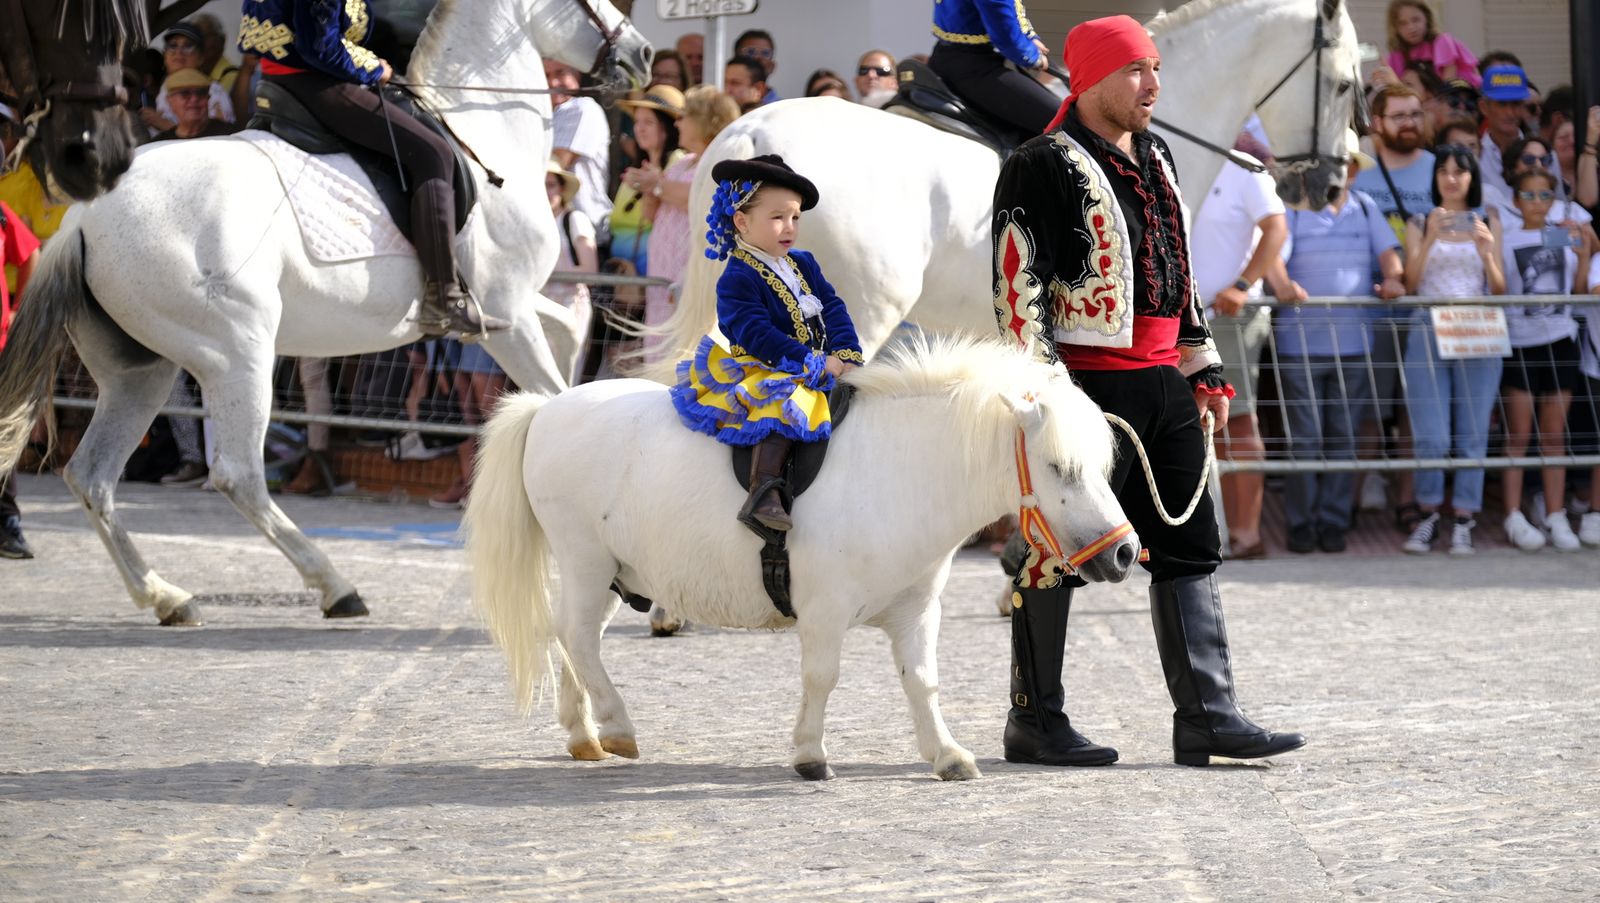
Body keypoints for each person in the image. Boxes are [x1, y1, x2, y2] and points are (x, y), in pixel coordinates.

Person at [990, 15, 1304, 768]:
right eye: (1136, 70)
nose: (1153, 85)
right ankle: (1035, 719)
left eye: (1156, 68)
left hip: (1164, 380)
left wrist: (1204, 366)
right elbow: (1016, 289)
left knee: (1191, 546)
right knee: (1054, 551)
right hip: (1086, 386)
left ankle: (1207, 717)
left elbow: (1177, 271)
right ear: (1091, 79)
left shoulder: (1157, 154)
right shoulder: (1039, 163)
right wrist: (1046, 393)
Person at [241, 0, 506, 338]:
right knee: (434, 154)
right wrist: (373, 69)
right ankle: (444, 299)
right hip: (315, 81)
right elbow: (318, 46)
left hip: (285, 77)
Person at [670, 155, 864, 534]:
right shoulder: (737, 277)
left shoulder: (804, 263)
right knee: (783, 400)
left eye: (795, 217)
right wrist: (810, 360)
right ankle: (763, 490)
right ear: (742, 221)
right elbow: (756, 333)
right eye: (777, 217)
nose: (789, 227)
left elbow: (833, 307)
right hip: (763, 367)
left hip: (815, 365)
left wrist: (846, 353)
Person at [1275, 133, 1406, 554]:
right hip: (1300, 345)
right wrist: (1283, 283)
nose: (1340, 171)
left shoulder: (1365, 207)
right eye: (1332, 163)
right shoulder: (1295, 208)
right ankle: (1301, 524)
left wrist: (1395, 278)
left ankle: (1333, 522)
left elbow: (1390, 257)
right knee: (1305, 441)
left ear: (1353, 171)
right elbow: (1275, 256)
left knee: (1344, 438)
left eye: (1346, 164)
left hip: (1353, 344)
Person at [1399, 146, 1506, 555]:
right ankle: (1428, 515)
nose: (1450, 178)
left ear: (1472, 177)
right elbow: (1410, 284)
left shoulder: (1488, 219)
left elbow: (1500, 288)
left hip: (1477, 326)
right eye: (1443, 170)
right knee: (1431, 432)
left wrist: (1486, 253)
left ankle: (1464, 518)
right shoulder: (1418, 220)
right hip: (1429, 325)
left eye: (1459, 171)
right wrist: (1429, 237)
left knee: (1474, 432)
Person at [1191, 134, 1292, 560]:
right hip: (1183, 319)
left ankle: (1246, 535)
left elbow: (1276, 228)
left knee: (1238, 422)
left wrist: (1243, 285)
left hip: (1232, 317)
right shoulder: (1171, 155)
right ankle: (1212, 534)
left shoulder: (1245, 168)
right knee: (1197, 426)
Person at [1354, 83, 1436, 533]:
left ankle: (1408, 500)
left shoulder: (1441, 170)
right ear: (1378, 124)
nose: (1409, 123)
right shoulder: (1360, 176)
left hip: (1425, 313)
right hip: (1372, 313)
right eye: (1399, 115)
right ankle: (1356, 495)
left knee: (1413, 412)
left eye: (1415, 114)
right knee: (1369, 410)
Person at [1497, 167, 1592, 551]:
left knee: (1554, 436)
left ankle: (1556, 514)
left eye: (1544, 196)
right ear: (1516, 199)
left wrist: (1582, 256)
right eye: (1529, 195)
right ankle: (1513, 513)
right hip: (1520, 342)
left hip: (1560, 339)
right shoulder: (1505, 236)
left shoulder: (1560, 234)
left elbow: (1579, 290)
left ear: (1553, 201)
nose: (1537, 203)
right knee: (1518, 435)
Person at [640, 86, 741, 362]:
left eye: (684, 116)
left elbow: (698, 198)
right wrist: (649, 186)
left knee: (683, 356)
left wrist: (657, 185)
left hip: (687, 273)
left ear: (704, 120)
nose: (677, 123)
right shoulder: (682, 162)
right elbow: (650, 214)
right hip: (661, 277)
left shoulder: (721, 163)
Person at [928, 0, 1058, 138]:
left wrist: (1029, 37)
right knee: (1062, 122)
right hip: (974, 68)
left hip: (949, 58)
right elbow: (1003, 30)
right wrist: (1033, 56)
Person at [0, 199, 40, 559]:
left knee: (2, 434)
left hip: (0, 346)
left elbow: (30, 254)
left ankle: (6, 523)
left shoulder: (1, 213)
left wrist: (18, 309)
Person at [611, 85, 685, 277]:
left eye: (648, 122)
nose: (639, 129)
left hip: (661, 274)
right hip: (626, 277)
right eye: (637, 122)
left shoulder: (680, 164)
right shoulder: (634, 170)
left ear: (668, 128)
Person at [546, 58, 613, 248]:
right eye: (546, 75)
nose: (553, 82)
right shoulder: (542, 114)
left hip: (585, 233)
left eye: (560, 73)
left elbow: (556, 165)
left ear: (576, 74)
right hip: (552, 234)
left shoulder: (582, 108)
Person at [545, 160, 599, 380]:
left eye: (550, 185)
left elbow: (590, 271)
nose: (545, 192)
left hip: (570, 306)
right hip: (540, 308)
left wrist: (546, 274)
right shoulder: (535, 223)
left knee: (565, 377)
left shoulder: (575, 219)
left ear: (562, 189)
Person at [143, 20, 235, 135]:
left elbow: (217, 137)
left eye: (188, 46)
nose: (179, 52)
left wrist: (164, 124)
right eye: (173, 45)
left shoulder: (212, 91)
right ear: (165, 56)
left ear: (201, 57)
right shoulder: (165, 87)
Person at [1383, 0, 1480, 88]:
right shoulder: (1397, 55)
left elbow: (1449, 85)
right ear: (1395, 28)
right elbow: (1398, 90)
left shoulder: (1441, 41)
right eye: (1403, 23)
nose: (1411, 27)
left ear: (1427, 18)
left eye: (1416, 20)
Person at [151, 69, 238, 140]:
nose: (194, 99)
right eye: (185, 93)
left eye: (201, 93)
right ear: (170, 101)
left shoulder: (230, 136)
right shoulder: (160, 145)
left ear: (208, 98)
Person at [732, 30, 780, 104]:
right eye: (750, 52)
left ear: (772, 66)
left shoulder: (785, 108)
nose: (758, 58)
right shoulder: (720, 105)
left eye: (765, 53)